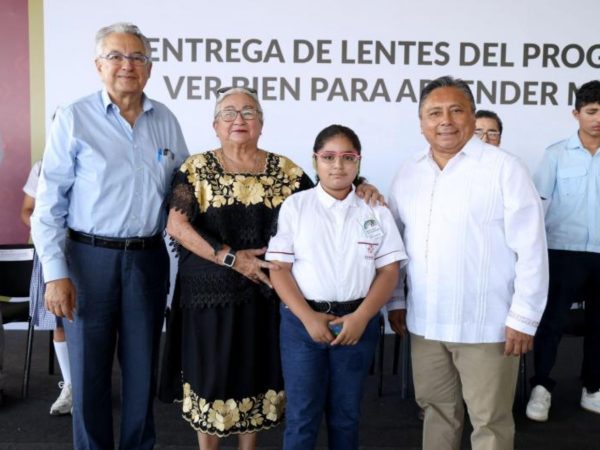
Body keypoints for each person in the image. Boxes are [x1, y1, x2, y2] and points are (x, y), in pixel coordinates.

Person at [159, 88, 382, 450]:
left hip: (264, 295)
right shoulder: (195, 169)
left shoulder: (286, 171)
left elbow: (326, 190)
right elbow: (177, 226)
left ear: (261, 124)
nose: (239, 120)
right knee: (211, 381)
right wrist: (232, 258)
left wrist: (362, 184)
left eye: (249, 112)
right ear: (215, 125)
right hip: (208, 298)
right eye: (229, 113)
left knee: (256, 377)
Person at [30, 22, 189, 450]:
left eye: (137, 57)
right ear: (98, 65)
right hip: (88, 261)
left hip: (148, 260)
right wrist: (56, 274)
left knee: (141, 372)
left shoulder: (165, 120)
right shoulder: (74, 118)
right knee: (89, 375)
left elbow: (187, 187)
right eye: (116, 56)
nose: (127, 65)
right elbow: (48, 204)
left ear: (150, 68)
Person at [387, 76, 548, 450]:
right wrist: (396, 300)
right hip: (426, 323)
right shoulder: (408, 171)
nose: (445, 120)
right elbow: (395, 245)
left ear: (473, 118)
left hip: (488, 325)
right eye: (434, 113)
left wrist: (524, 317)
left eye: (456, 110)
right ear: (421, 123)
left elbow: (531, 249)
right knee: (436, 412)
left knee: (490, 422)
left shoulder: (505, 168)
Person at [266, 124, 407, 450]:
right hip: (302, 324)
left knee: (346, 416)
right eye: (328, 157)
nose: (338, 165)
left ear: (359, 161)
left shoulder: (375, 209)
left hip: (356, 324)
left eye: (347, 157)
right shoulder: (296, 206)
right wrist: (307, 317)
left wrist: (361, 318)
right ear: (315, 161)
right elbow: (279, 270)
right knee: (302, 417)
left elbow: (388, 271)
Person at [526, 80, 600, 421]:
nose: (598, 119)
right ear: (576, 114)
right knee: (551, 322)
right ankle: (541, 387)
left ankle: (593, 388)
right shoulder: (556, 154)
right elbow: (537, 205)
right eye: (592, 111)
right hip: (562, 251)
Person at [21, 160, 72, 415]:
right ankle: (71, 385)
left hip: (92, 249)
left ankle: (93, 384)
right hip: (53, 251)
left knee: (99, 318)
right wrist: (46, 228)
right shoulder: (41, 167)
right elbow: (27, 210)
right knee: (59, 320)